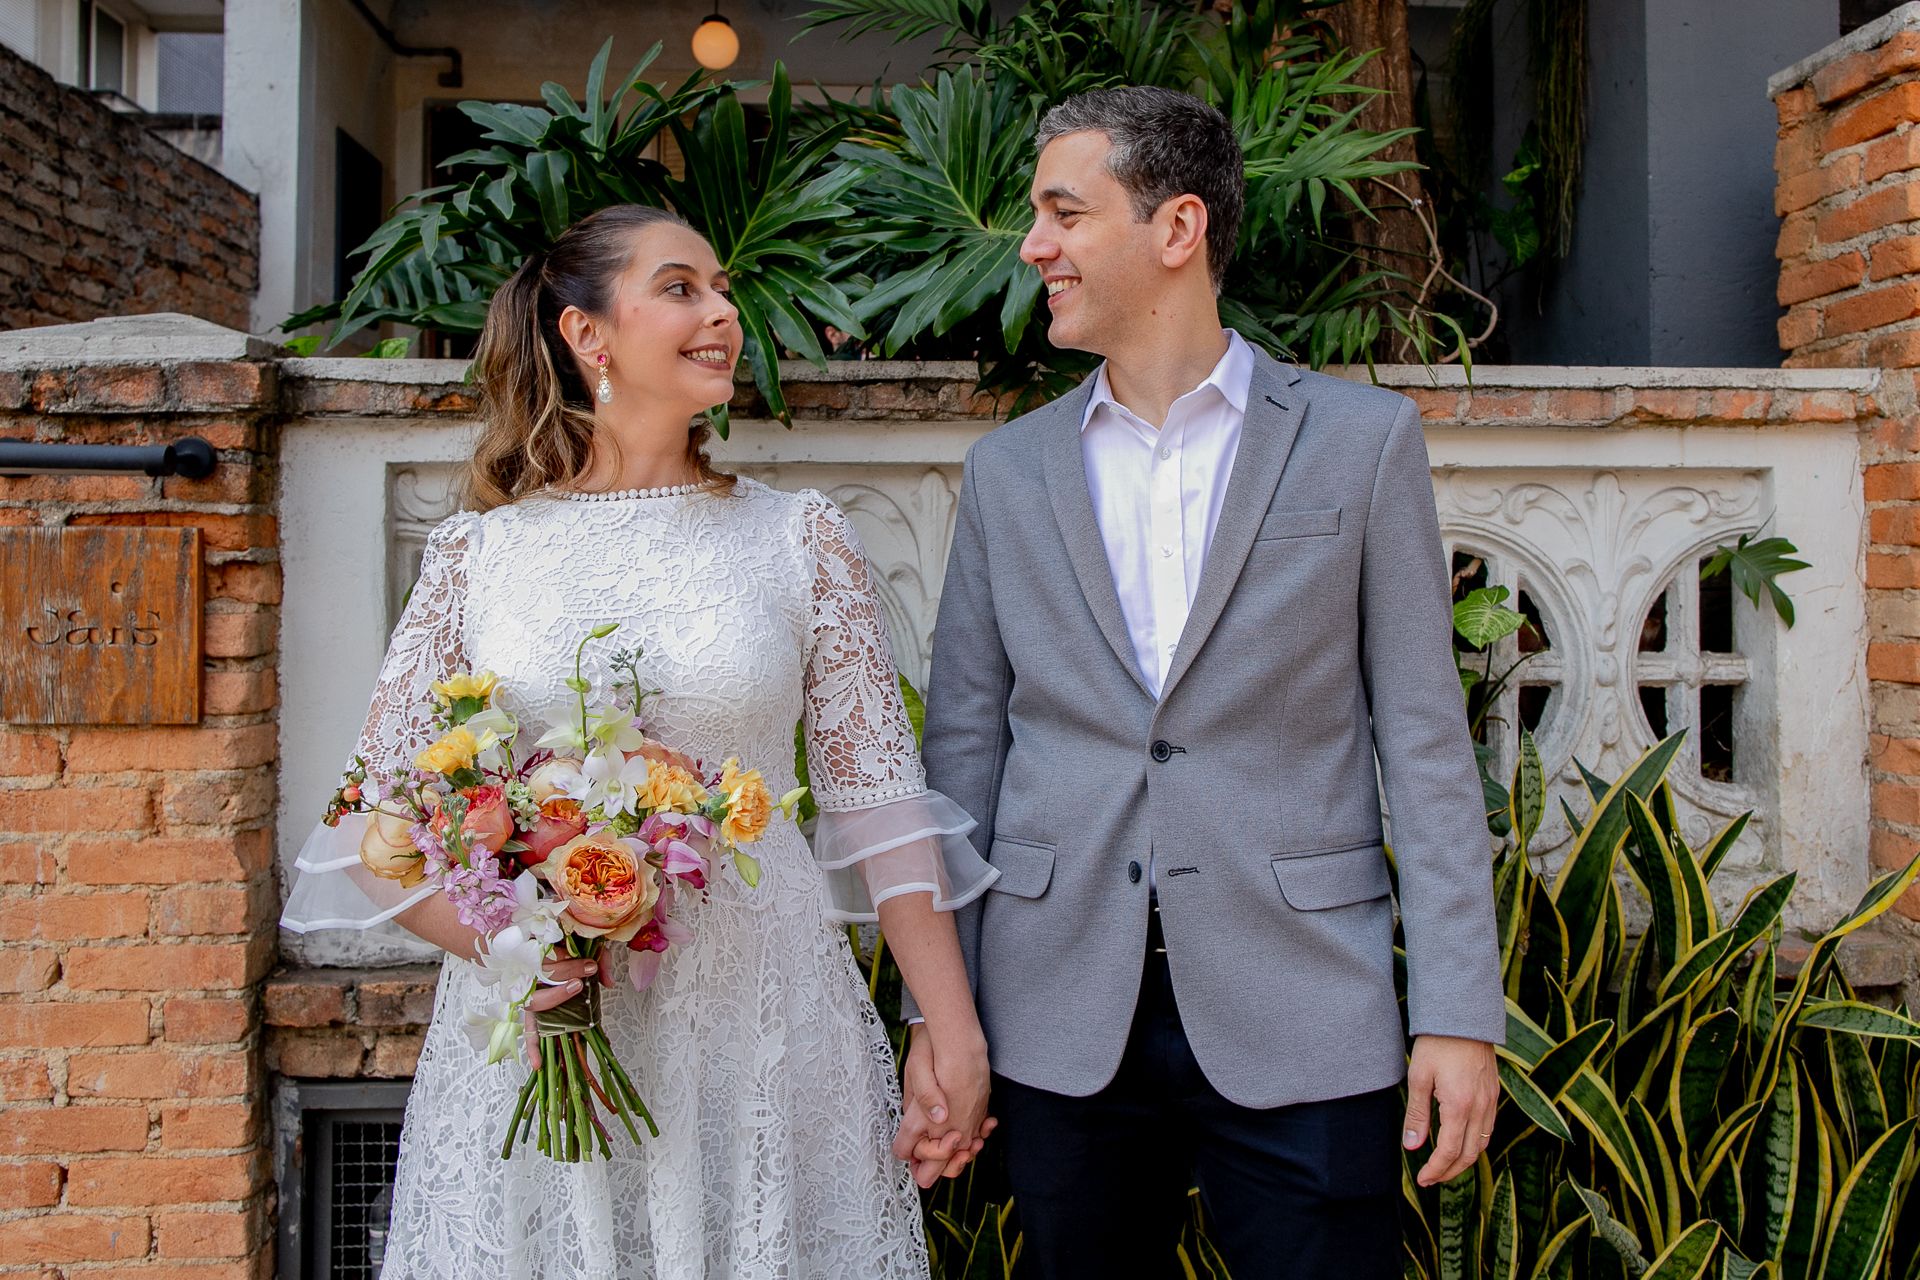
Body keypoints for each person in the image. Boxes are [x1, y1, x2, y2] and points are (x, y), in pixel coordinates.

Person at [280, 204, 996, 1279]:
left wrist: (952, 1030)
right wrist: (524, 948)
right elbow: (370, 826)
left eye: (720, 290)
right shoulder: (479, 555)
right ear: (587, 334)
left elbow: (879, 799)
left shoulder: (802, 539)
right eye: (680, 287)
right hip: (542, 1033)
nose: (722, 313)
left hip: (760, 1020)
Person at [894, 87, 1506, 1279]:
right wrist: (938, 1014)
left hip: (1304, 1006)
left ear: (1176, 229)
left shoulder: (1360, 442)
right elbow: (961, 754)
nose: (1033, 246)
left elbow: (1426, 743)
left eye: (1064, 212)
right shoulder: (1010, 472)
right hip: (1059, 1009)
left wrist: (1456, 1012)